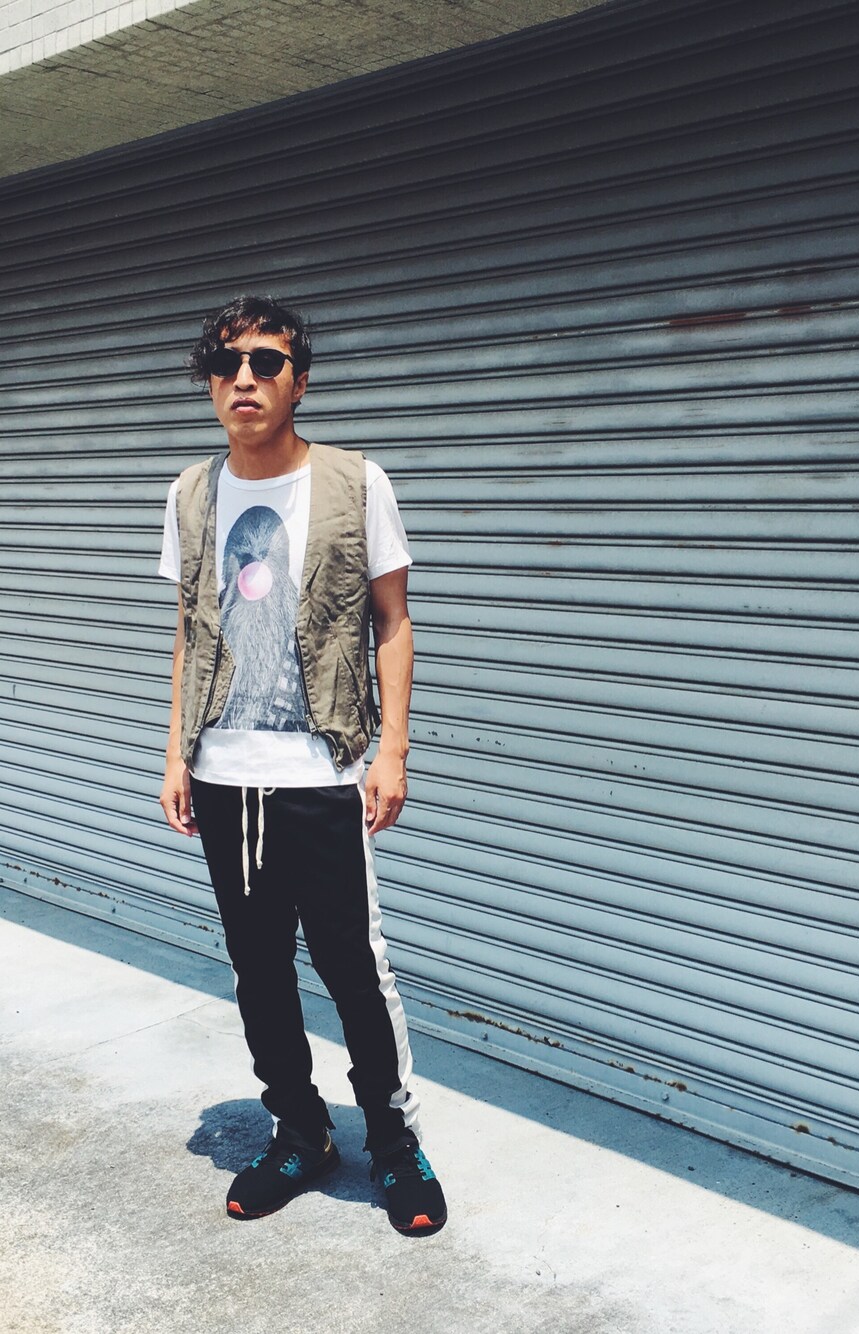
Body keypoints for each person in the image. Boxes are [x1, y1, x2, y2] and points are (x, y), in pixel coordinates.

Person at [157, 294, 446, 1236]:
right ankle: (300, 1130)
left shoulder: (355, 483)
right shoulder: (191, 493)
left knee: (355, 970)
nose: (244, 378)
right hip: (223, 773)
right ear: (210, 382)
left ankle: (394, 1142)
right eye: (226, 362)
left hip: (323, 775)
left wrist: (393, 749)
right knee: (257, 969)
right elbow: (191, 631)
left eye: (266, 362)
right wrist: (175, 752)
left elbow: (393, 622)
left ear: (299, 381)